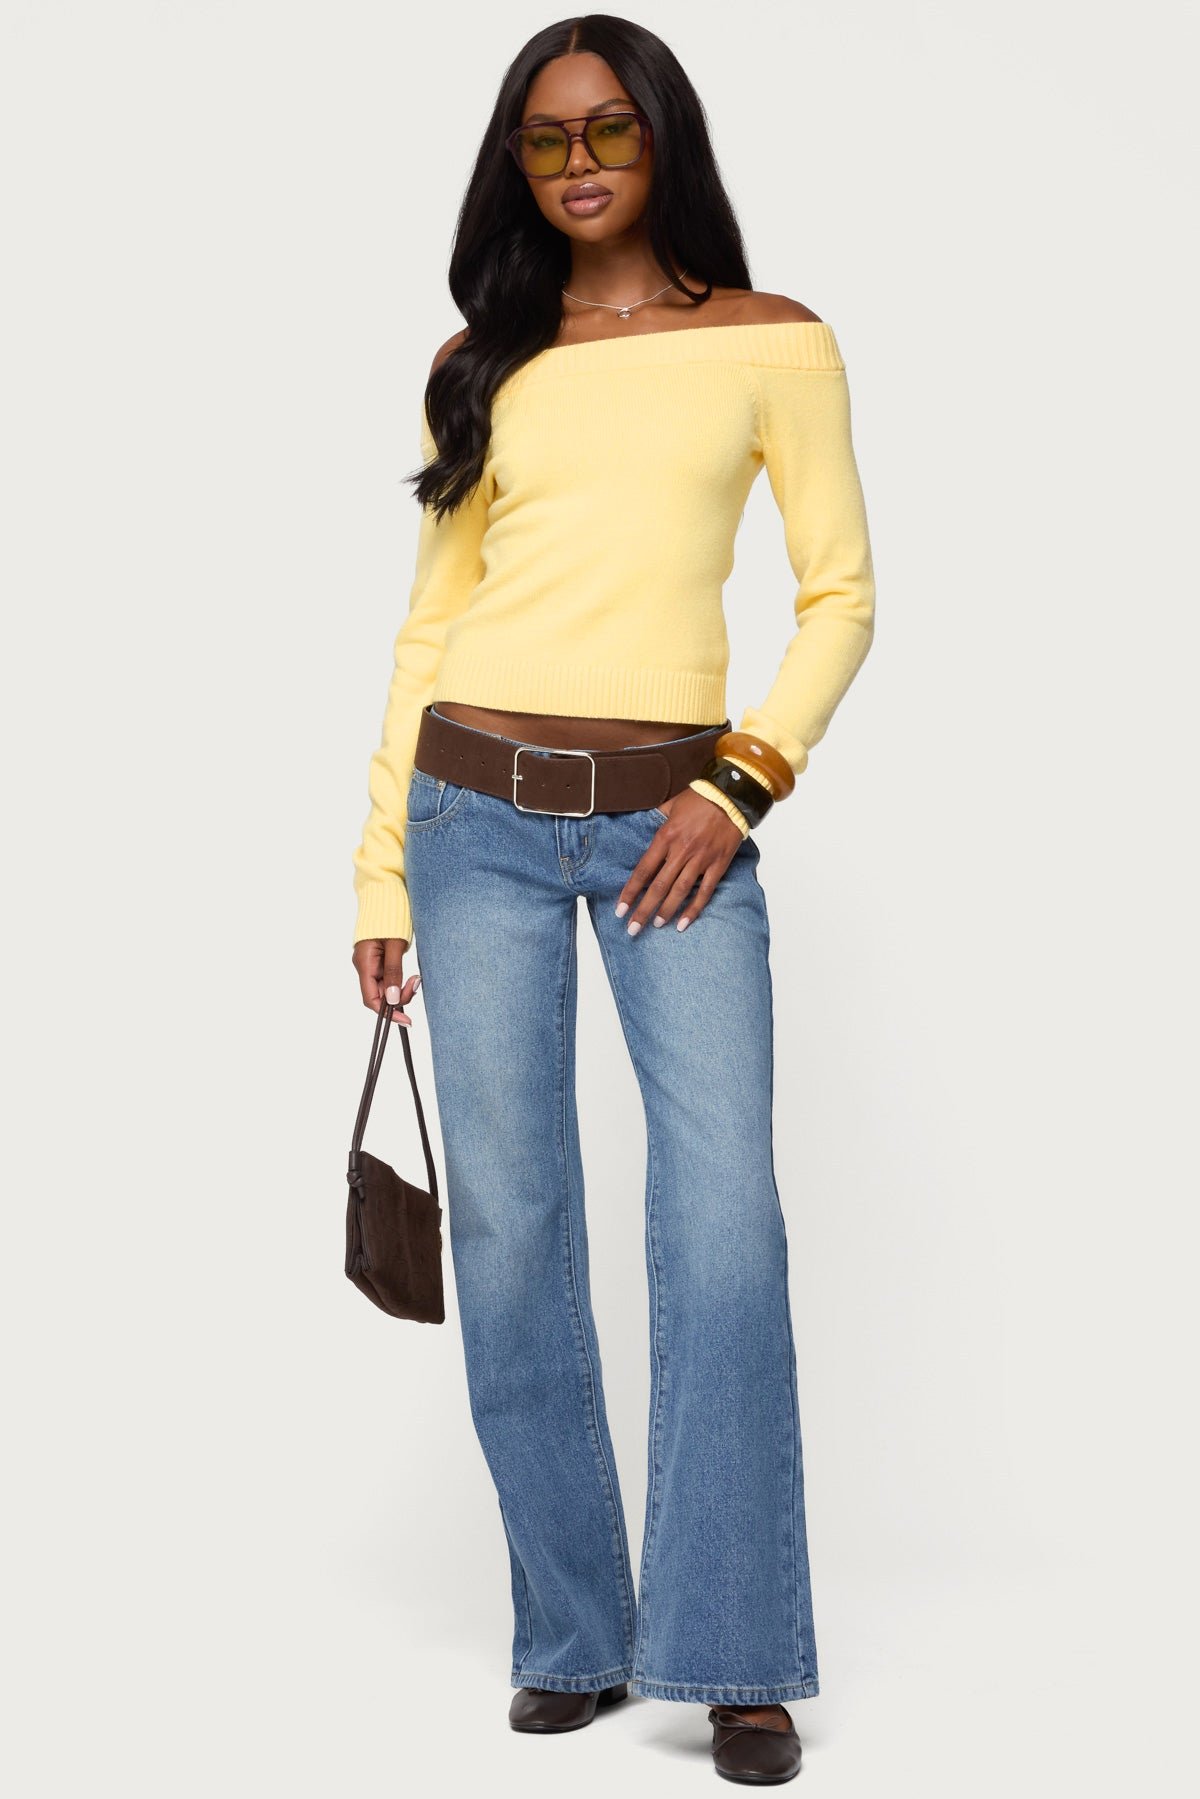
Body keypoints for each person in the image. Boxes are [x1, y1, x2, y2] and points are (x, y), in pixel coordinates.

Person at [350, 16, 875, 1786]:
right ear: (519, 163)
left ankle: (732, 1649)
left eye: (609, 132)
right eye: (546, 138)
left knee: (723, 1223)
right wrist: (380, 869)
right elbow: (432, 626)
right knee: (511, 1227)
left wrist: (739, 785)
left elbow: (842, 595)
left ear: (663, 141)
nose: (577, 164)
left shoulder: (771, 340)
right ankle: (572, 1632)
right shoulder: (481, 360)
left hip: (675, 823)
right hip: (471, 816)